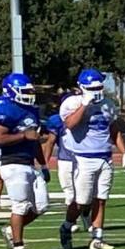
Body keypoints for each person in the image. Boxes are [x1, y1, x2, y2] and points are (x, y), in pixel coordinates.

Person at [58, 68, 125, 249]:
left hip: (105, 157)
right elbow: (69, 124)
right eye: (93, 88)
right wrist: (84, 105)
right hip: (83, 158)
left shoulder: (108, 104)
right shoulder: (72, 103)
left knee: (101, 199)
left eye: (99, 87)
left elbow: (114, 129)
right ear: (82, 88)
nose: (97, 91)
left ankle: (97, 237)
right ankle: (66, 226)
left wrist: (124, 152)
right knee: (82, 201)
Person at [0, 73, 50, 249]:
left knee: (41, 206)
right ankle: (18, 246)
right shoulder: (5, 109)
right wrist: (23, 136)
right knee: (20, 206)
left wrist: (43, 164)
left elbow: (34, 141)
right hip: (12, 163)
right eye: (25, 91)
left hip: (29, 163)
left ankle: (10, 229)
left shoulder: (31, 110)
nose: (29, 94)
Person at [43, 95, 89, 233]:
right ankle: (72, 222)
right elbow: (50, 142)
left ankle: (86, 218)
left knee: (86, 194)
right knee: (70, 194)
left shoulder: (86, 116)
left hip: (83, 159)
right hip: (65, 160)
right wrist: (45, 164)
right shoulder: (57, 121)